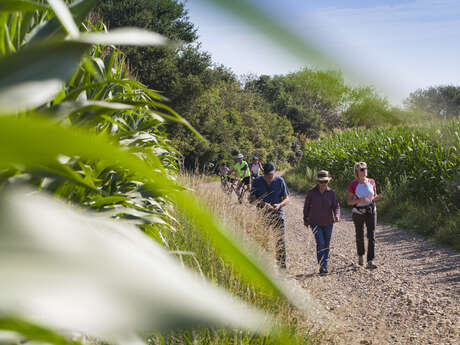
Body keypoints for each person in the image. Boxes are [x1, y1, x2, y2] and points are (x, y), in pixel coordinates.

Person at [250, 162, 289, 269]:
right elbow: (251, 199)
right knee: (262, 239)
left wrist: (279, 205)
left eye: (271, 175)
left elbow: (287, 199)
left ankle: (281, 266)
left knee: (280, 240)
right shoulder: (257, 182)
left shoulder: (280, 181)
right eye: (267, 175)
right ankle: (263, 264)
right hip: (263, 215)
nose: (269, 177)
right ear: (263, 173)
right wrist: (262, 204)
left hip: (277, 214)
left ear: (274, 173)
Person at [303, 170, 340, 275]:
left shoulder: (331, 193)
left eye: (326, 182)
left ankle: (325, 264)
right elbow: (306, 207)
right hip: (315, 222)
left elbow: (336, 206)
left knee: (327, 244)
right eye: (321, 182)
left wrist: (337, 215)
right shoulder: (311, 193)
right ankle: (322, 266)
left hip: (328, 222)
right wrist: (305, 219)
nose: (324, 184)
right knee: (321, 243)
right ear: (317, 182)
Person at [347, 162, 383, 269]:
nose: (364, 170)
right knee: (359, 235)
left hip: (371, 210)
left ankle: (370, 260)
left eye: (366, 168)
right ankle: (361, 255)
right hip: (358, 212)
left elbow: (373, 197)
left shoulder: (372, 182)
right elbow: (349, 202)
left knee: (371, 236)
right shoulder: (353, 184)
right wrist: (359, 200)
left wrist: (377, 198)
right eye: (362, 169)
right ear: (357, 171)